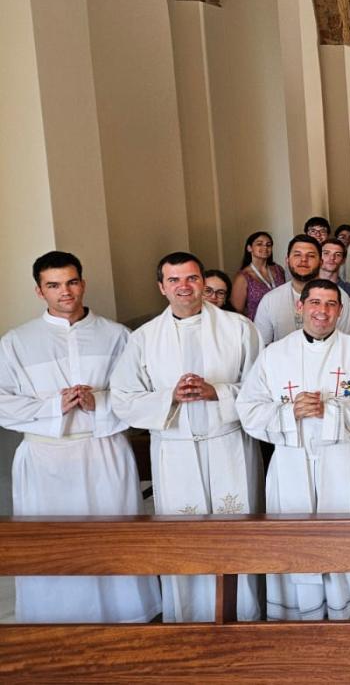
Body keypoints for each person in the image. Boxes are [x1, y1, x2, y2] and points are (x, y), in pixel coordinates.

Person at [0, 252, 161, 623]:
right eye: (53, 285)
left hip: (102, 448)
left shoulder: (117, 335)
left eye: (71, 282)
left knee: (113, 536)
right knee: (52, 542)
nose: (65, 292)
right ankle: (53, 619)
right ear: (39, 291)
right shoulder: (17, 341)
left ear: (83, 283)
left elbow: (137, 394)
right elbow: (5, 403)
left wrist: (97, 401)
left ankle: (128, 616)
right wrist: (55, 405)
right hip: (45, 458)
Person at [111, 252, 264, 622]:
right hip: (175, 451)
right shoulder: (143, 339)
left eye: (192, 278)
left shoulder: (239, 328)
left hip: (229, 446)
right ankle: (190, 618)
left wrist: (219, 393)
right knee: (185, 539)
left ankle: (244, 615)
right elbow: (123, 398)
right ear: (161, 287)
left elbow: (264, 390)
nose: (185, 287)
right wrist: (169, 397)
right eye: (175, 280)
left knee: (236, 535)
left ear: (204, 282)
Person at [236, 279, 350, 621]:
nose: (323, 311)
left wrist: (330, 411)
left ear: (340, 310)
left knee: (348, 537)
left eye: (331, 304)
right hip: (293, 461)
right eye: (316, 302)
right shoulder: (275, 354)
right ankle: (300, 616)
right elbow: (247, 409)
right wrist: (290, 411)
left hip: (345, 460)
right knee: (298, 539)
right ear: (300, 306)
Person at [254, 235, 350, 345]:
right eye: (297, 255)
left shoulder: (340, 298)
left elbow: (349, 346)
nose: (303, 260)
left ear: (321, 262)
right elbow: (261, 346)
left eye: (311, 256)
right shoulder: (270, 300)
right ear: (287, 260)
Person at [230, 231, 285, 320]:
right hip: (256, 326)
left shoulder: (278, 269)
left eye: (268, 245)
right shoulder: (243, 277)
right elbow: (237, 311)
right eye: (259, 244)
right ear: (249, 248)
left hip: (281, 322)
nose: (265, 247)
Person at [318, 238, 350, 318]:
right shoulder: (307, 286)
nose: (332, 258)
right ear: (318, 256)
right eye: (326, 253)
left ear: (343, 260)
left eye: (338, 254)